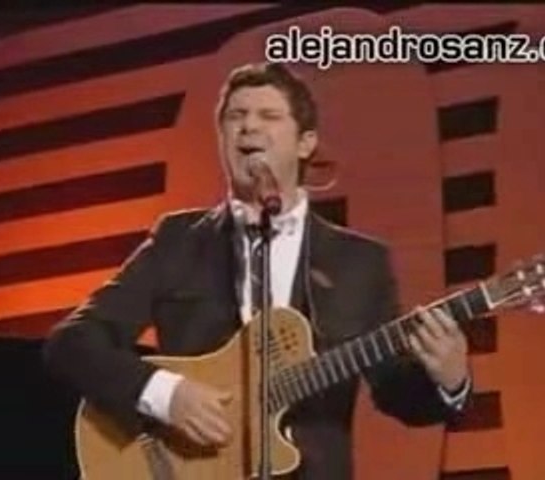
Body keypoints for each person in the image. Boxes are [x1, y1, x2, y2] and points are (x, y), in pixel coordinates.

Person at [44, 62, 472, 480]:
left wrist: (448, 380)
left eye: (268, 115)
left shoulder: (359, 261)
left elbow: (396, 393)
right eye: (236, 116)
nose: (248, 126)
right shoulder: (179, 240)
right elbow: (73, 341)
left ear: (305, 143)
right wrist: (165, 394)